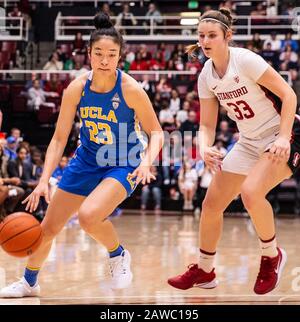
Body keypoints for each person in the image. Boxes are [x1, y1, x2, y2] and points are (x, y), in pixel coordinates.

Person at [0, 12, 163, 298]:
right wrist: (43, 180)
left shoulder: (131, 89)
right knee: (47, 228)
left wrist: (148, 161)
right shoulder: (76, 88)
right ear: (88, 53)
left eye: (111, 54)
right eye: (98, 53)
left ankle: (118, 254)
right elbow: (60, 137)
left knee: (89, 217)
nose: (104, 59)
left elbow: (157, 132)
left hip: (123, 162)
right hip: (86, 160)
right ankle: (29, 282)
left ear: (120, 56)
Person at [167, 8, 300, 295]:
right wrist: (204, 148)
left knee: (251, 193)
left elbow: (289, 95)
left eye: (212, 35)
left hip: (283, 135)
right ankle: (205, 269)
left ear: (228, 36)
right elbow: (206, 123)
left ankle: (271, 256)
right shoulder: (206, 75)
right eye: (201, 35)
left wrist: (284, 138)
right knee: (212, 204)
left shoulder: (245, 60)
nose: (205, 41)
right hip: (250, 141)